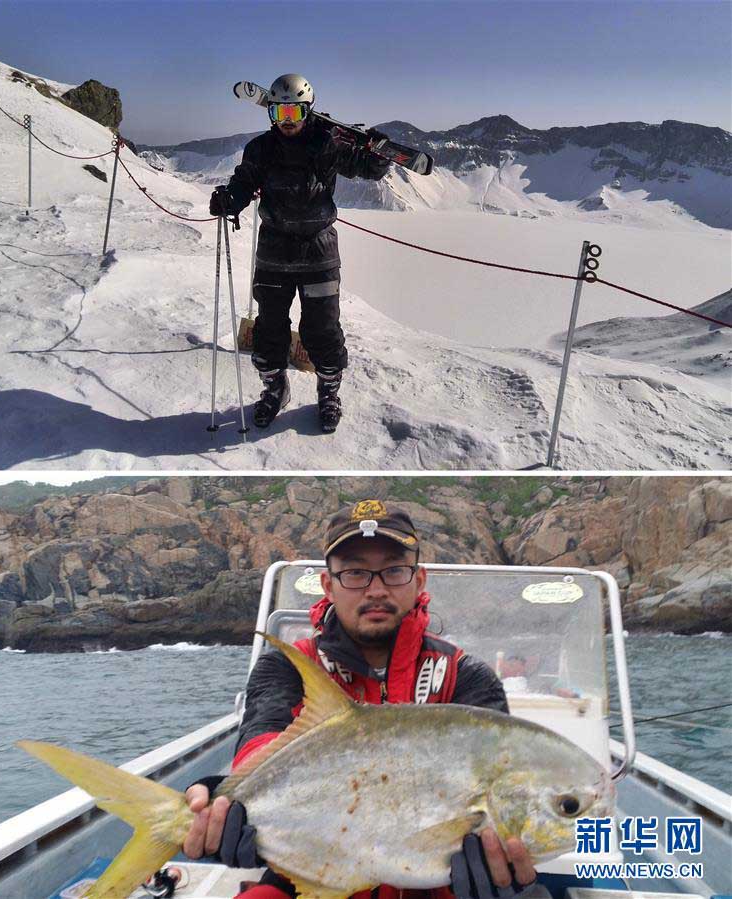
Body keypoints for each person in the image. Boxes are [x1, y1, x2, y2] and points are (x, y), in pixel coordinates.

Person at [182, 500, 538, 899]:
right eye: (354, 573)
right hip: (309, 873)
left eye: (394, 570)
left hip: (438, 882)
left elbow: (494, 771)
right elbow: (262, 749)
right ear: (328, 585)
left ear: (419, 580)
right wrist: (224, 799)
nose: (377, 589)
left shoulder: (466, 675)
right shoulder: (287, 667)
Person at [210, 74, 391, 433]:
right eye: (279, 113)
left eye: (294, 113)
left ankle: (329, 392)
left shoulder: (327, 145)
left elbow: (366, 168)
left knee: (322, 330)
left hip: (318, 253)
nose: (287, 122)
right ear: (271, 114)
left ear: (307, 112)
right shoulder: (260, 149)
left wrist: (377, 152)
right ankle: (275, 388)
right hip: (274, 253)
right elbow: (245, 181)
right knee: (269, 330)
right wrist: (230, 199)